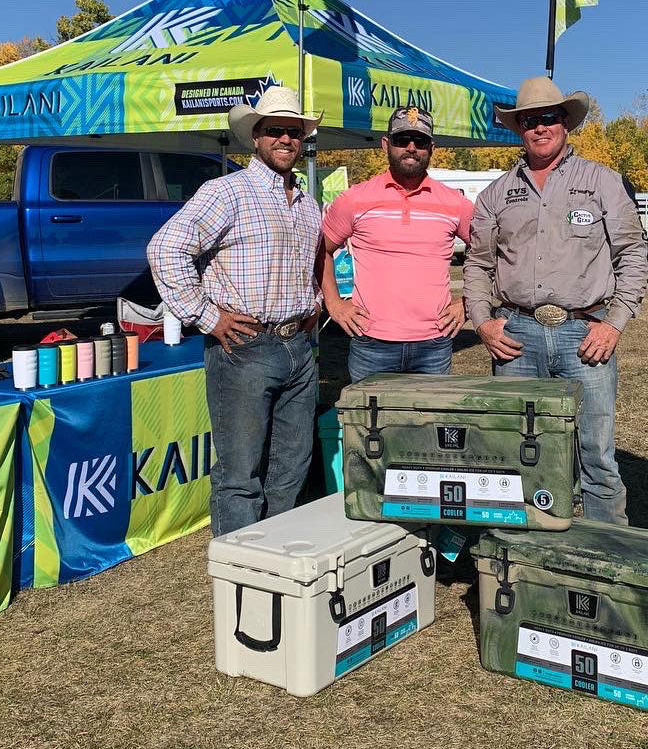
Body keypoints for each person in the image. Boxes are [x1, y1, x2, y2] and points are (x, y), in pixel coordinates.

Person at [462, 76, 648, 525]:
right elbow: (477, 265)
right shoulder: (495, 194)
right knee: (516, 451)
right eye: (529, 120)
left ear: (565, 123)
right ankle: (525, 560)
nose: (540, 128)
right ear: (518, 128)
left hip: (585, 334)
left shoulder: (603, 182)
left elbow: (633, 254)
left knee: (596, 453)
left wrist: (615, 323)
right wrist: (483, 322)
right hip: (517, 336)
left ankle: (606, 561)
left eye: (549, 118)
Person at [147, 86, 322, 537]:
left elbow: (307, 269)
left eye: (294, 132)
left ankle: (277, 565)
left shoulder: (307, 202)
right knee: (240, 476)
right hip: (245, 346)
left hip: (299, 347)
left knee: (290, 471)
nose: (286, 140)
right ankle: (241, 579)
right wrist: (206, 317)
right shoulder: (227, 192)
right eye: (275, 131)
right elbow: (165, 249)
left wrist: (314, 309)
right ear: (256, 138)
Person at [320, 106, 471, 382]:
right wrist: (334, 303)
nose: (411, 147)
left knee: (429, 424)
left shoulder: (455, 203)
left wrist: (467, 302)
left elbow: (488, 254)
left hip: (434, 344)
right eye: (402, 140)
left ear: (432, 147)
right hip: (371, 343)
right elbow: (322, 250)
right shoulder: (354, 199)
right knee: (371, 425)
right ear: (386, 145)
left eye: (420, 141)